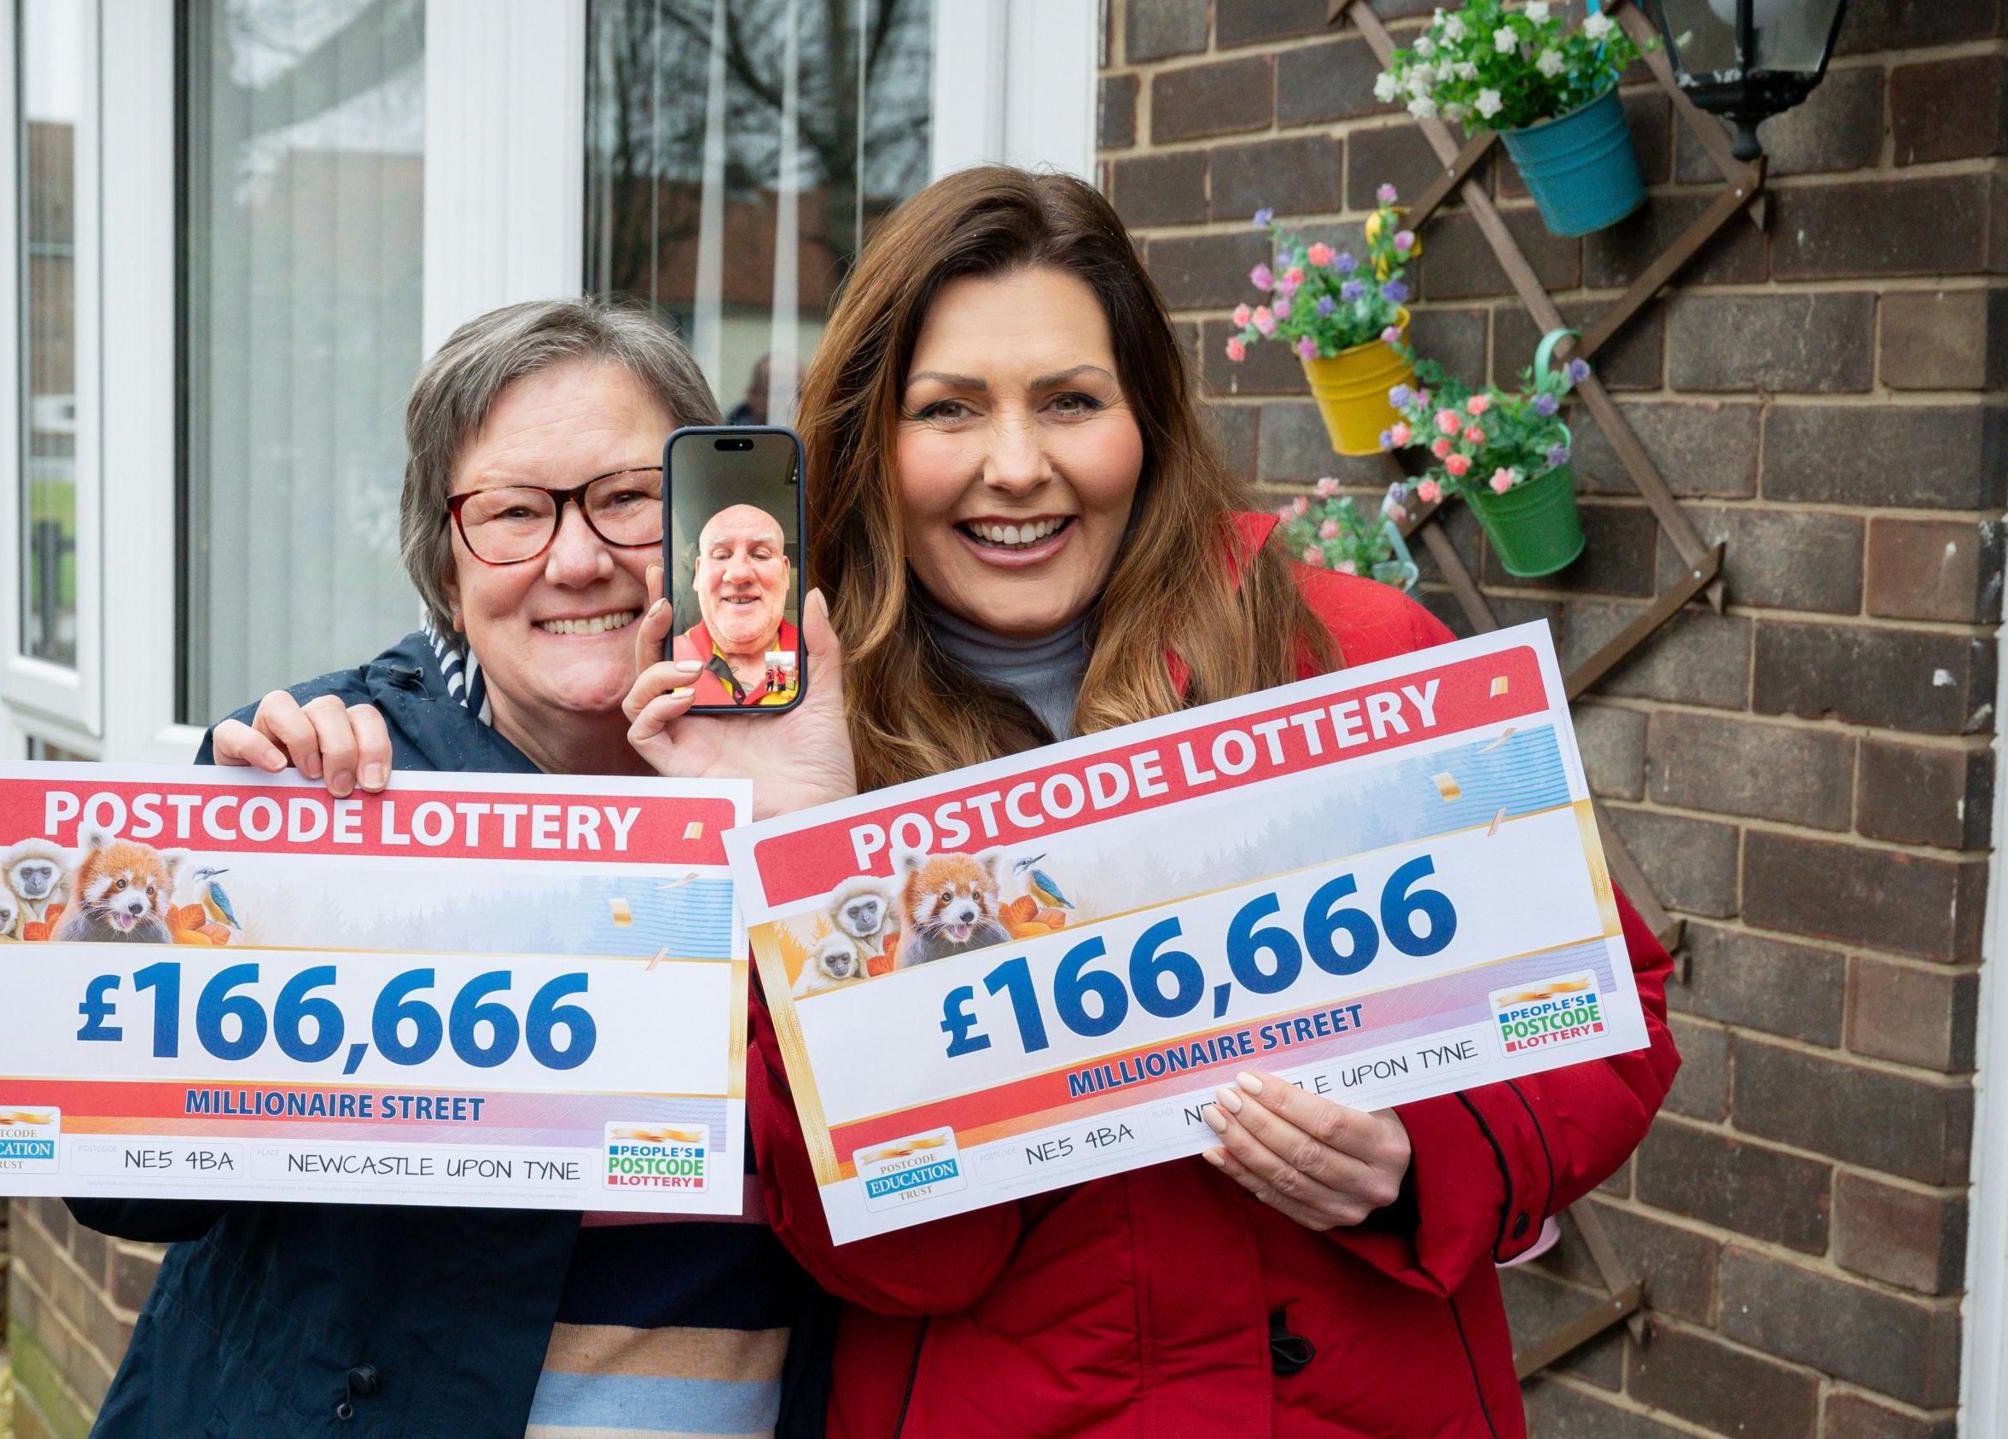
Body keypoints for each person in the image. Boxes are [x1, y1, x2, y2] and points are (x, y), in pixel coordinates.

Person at [621, 167, 1679, 1437]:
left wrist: (1420, 1156)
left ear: (1149, 420)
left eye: (1071, 400)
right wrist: (800, 842)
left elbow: (1604, 1013)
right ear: (867, 440)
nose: (1018, 467)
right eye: (948, 409)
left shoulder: (1352, 649)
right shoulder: (792, 746)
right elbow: (903, 1259)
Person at [69, 299, 849, 1439]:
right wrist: (250, 864)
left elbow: (908, 1187)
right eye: (513, 512)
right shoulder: (314, 778)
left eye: (627, 499)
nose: (576, 559)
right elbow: (124, 1185)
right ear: (443, 559)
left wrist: (804, 856)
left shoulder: (826, 779)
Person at [675, 503, 800, 707]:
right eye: (721, 556)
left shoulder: (817, 661)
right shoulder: (667, 661)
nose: (739, 574)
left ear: (786, 573)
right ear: (697, 573)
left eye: (760, 555)